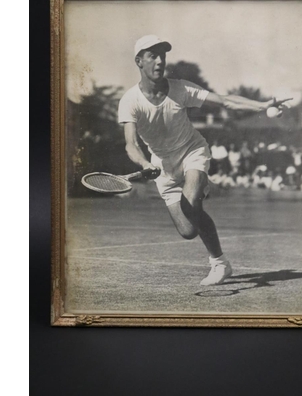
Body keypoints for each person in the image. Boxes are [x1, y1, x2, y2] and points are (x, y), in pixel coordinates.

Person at [118, 35, 286, 286]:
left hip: (192, 151)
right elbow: (131, 144)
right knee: (188, 230)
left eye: (162, 55)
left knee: (191, 202)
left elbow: (226, 101)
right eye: (152, 55)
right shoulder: (130, 101)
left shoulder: (181, 88)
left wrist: (261, 105)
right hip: (162, 165)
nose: (159, 61)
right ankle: (196, 194)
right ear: (139, 61)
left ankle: (219, 263)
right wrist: (145, 164)